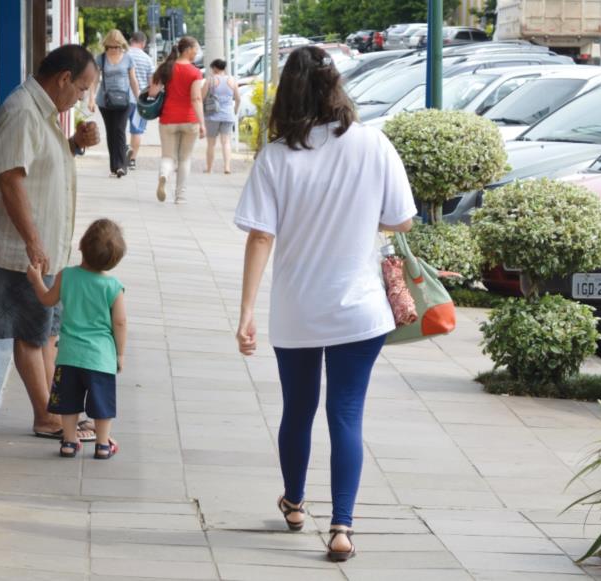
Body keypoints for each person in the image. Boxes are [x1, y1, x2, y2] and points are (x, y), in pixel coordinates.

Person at [233, 45, 416, 562]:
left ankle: (294, 503)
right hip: (360, 309)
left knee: (298, 409)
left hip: (296, 311)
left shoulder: (275, 158)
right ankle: (341, 527)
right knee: (346, 413)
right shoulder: (374, 145)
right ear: (337, 87)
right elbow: (402, 220)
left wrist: (246, 311)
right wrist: (357, 219)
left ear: (286, 92)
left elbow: (261, 238)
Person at [0, 44, 101, 443]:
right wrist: (32, 241)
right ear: (63, 78)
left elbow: (40, 166)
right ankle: (45, 416)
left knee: (48, 332)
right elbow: (11, 180)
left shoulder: (44, 112)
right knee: (31, 333)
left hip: (47, 249)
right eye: (81, 89)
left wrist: (75, 145)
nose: (82, 98)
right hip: (25, 253)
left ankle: (59, 409)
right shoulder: (21, 112)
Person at [26, 219, 127, 460]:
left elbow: (48, 300)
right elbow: (120, 323)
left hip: (69, 355)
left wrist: (36, 280)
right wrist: (120, 354)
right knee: (102, 404)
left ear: (81, 246)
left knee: (68, 401)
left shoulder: (67, 276)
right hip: (100, 358)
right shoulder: (113, 287)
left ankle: (69, 442)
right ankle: (103, 445)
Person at [149, 36, 206, 204]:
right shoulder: (195, 72)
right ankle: (180, 197)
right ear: (187, 50)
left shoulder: (166, 68)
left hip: (168, 119)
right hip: (189, 120)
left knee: (168, 156)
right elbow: (196, 99)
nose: (197, 52)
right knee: (185, 159)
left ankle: (164, 175)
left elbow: (152, 93)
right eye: (196, 49)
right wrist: (202, 124)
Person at [89, 30, 140, 178]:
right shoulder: (101, 59)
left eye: (117, 47)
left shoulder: (128, 59)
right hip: (105, 101)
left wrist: (139, 99)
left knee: (119, 130)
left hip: (125, 100)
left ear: (122, 46)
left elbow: (133, 80)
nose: (114, 50)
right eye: (111, 47)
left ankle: (121, 166)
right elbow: (94, 79)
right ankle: (114, 166)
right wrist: (91, 98)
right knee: (111, 132)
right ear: (106, 46)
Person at [202, 59, 240, 174]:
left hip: (212, 115)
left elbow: (201, 97)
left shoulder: (210, 80)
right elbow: (238, 99)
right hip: (228, 115)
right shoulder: (232, 80)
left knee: (211, 143)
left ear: (215, 68)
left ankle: (209, 168)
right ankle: (227, 167)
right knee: (226, 142)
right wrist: (235, 111)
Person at [126, 31, 155, 170]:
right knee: (136, 131)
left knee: (119, 129)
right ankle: (132, 160)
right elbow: (151, 83)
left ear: (131, 40)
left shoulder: (124, 55)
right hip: (140, 100)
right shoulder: (147, 59)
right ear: (143, 43)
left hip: (122, 98)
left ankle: (120, 157)